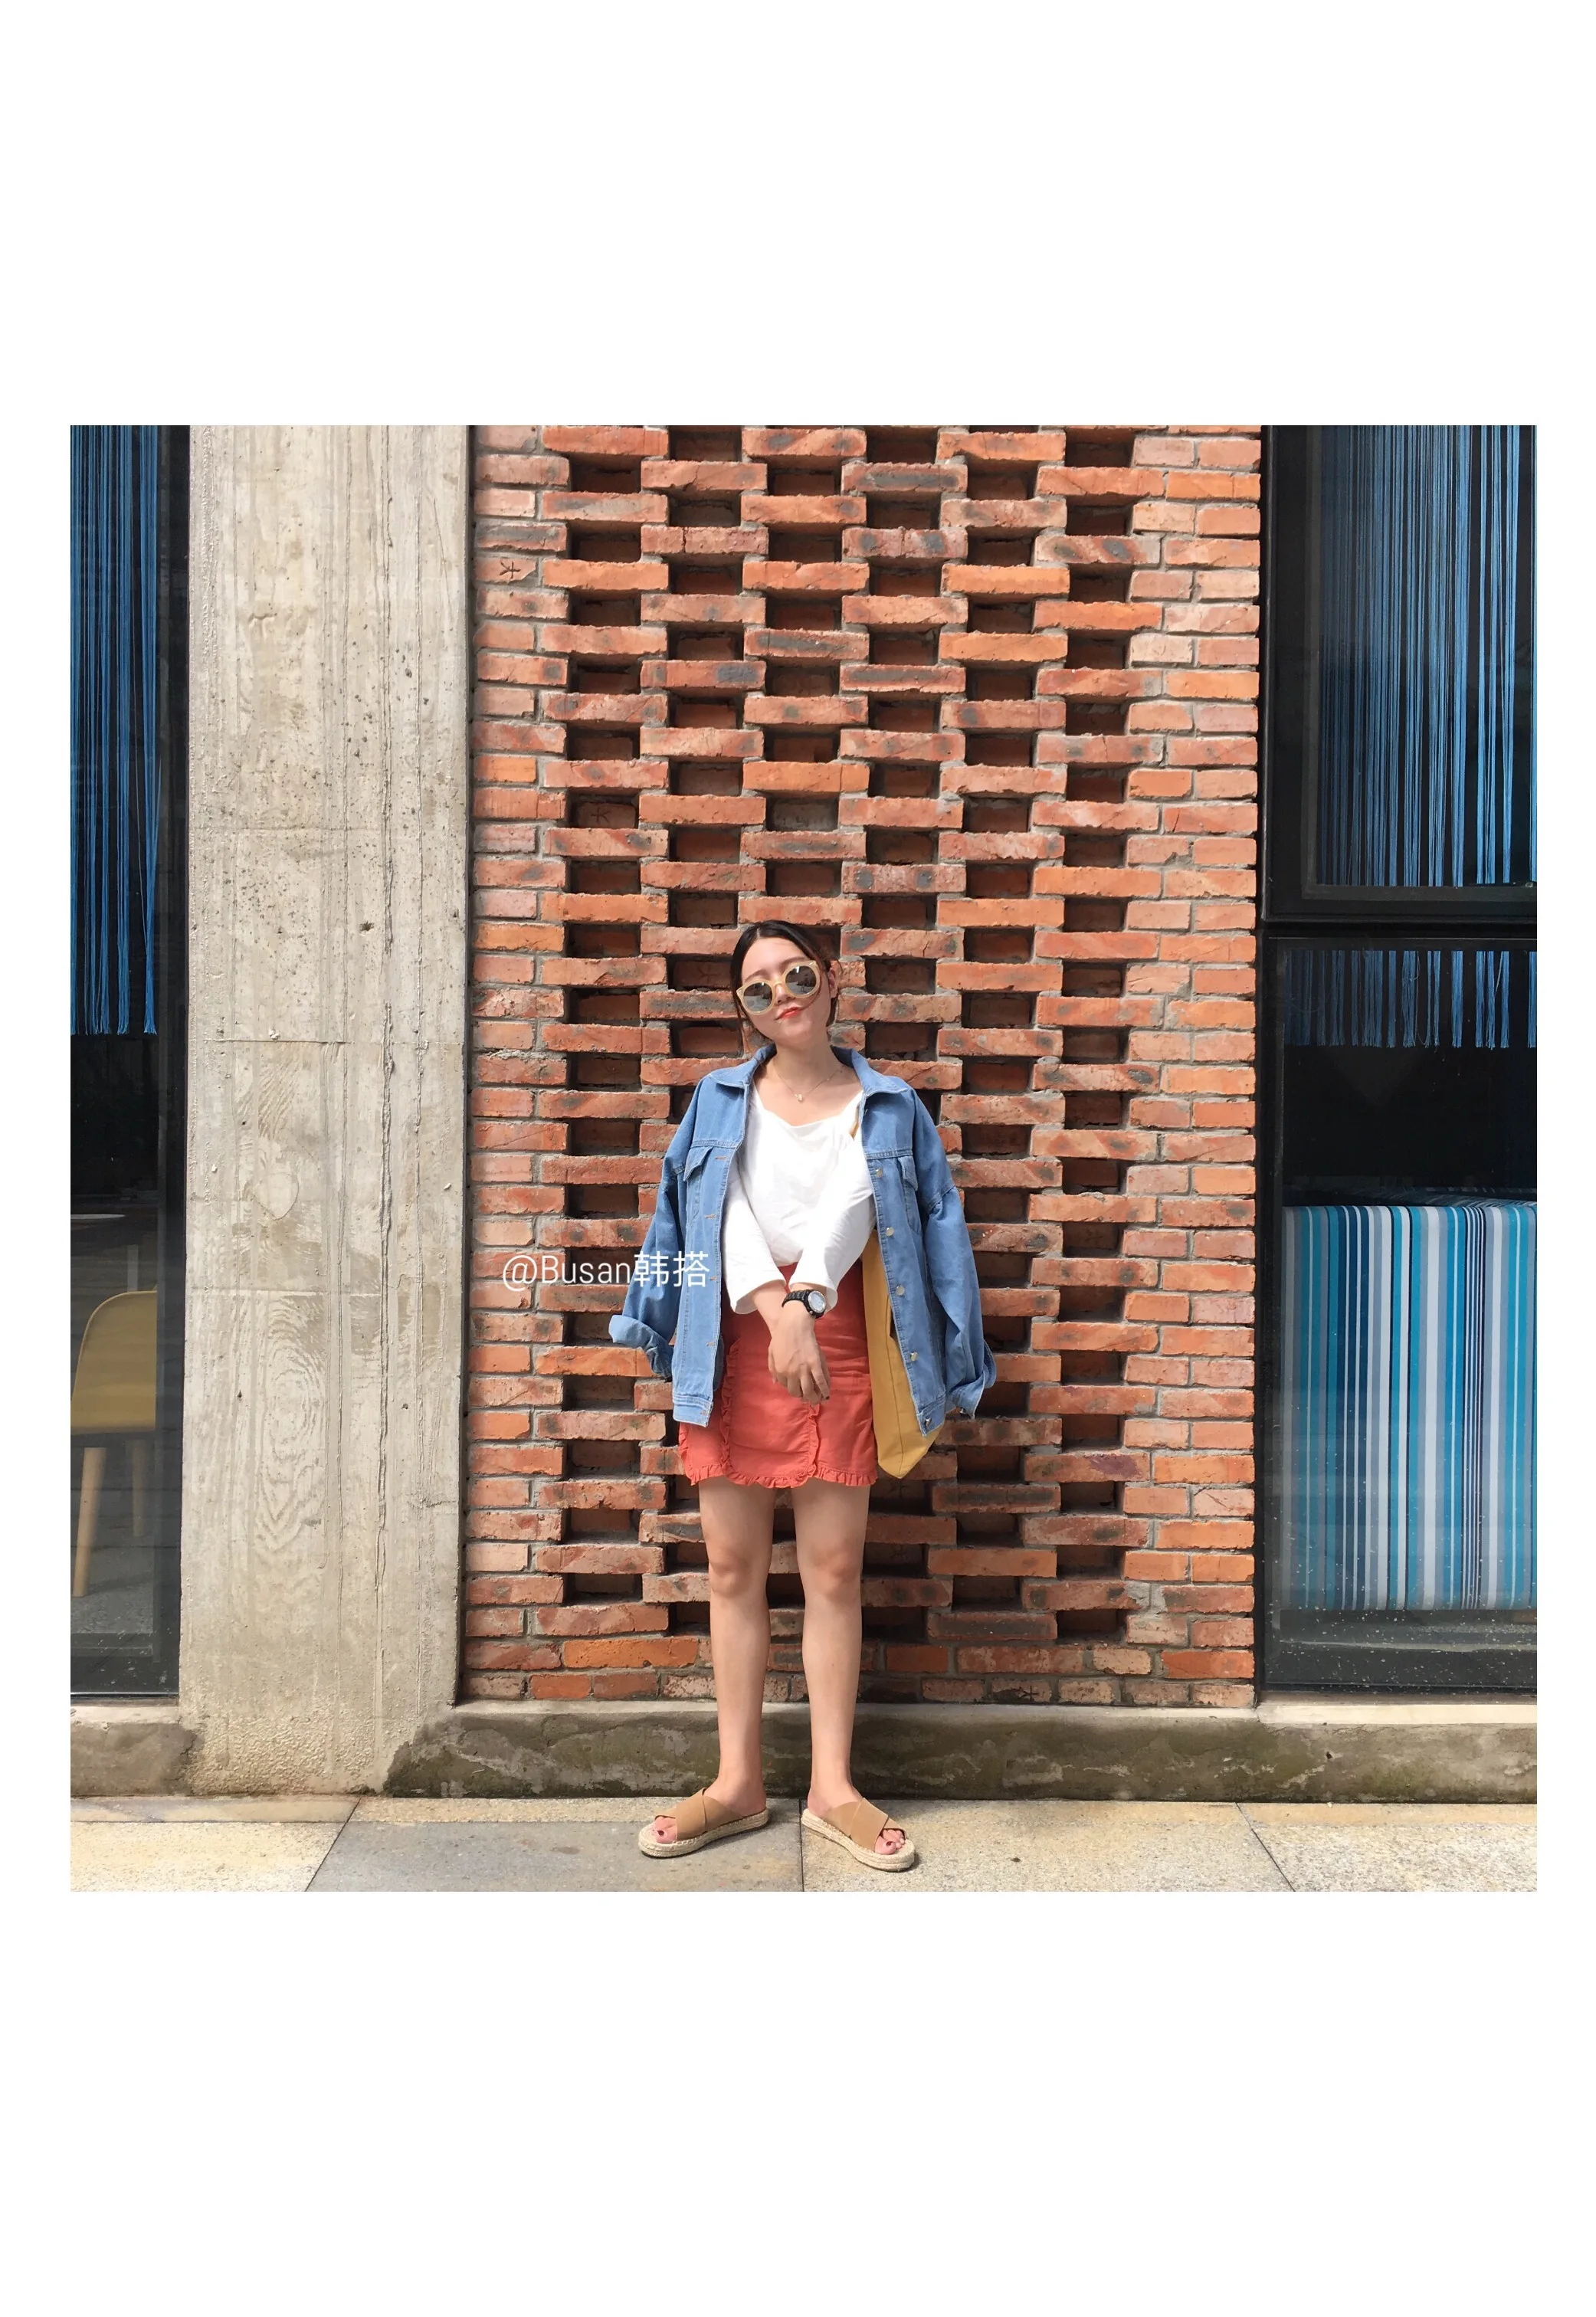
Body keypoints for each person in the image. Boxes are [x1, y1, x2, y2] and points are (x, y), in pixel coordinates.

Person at [609, 919, 995, 1871]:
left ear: (831, 980)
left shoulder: (889, 1106)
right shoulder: (716, 1100)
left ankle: (832, 1789)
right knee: (732, 1570)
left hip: (842, 1333)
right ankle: (736, 1782)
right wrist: (773, 1307)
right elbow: (706, 1212)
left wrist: (808, 1303)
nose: (780, 996)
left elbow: (883, 1213)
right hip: (731, 1334)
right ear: (741, 1010)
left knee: (831, 1571)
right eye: (756, 988)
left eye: (795, 975)